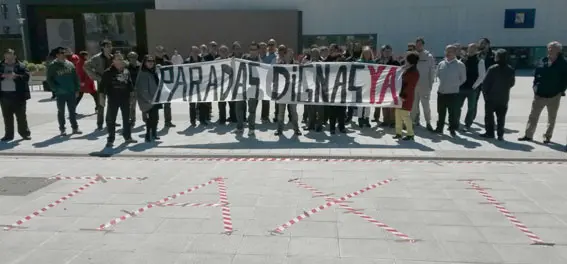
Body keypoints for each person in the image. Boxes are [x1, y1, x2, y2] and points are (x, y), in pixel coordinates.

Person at [518, 41, 567, 143]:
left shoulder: (563, 63)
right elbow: (536, 75)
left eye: (552, 48)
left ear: (559, 50)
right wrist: (535, 87)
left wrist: (561, 90)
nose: (549, 50)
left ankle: (548, 136)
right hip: (540, 94)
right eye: (549, 48)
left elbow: (565, 79)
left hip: (554, 95)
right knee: (533, 116)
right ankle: (528, 135)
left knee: (551, 118)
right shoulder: (542, 60)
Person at [99, 53, 137, 147]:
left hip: (125, 99)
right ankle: (111, 139)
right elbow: (101, 87)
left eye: (121, 59)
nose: (120, 61)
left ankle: (127, 137)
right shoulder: (108, 72)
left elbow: (130, 85)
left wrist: (132, 96)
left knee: (127, 119)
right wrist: (101, 99)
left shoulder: (126, 71)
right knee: (111, 120)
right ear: (114, 61)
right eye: (118, 59)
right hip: (113, 99)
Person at [47, 47, 82, 136]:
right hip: (60, 93)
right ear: (57, 55)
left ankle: (75, 128)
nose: (63, 55)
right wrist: (55, 89)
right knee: (61, 111)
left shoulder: (70, 64)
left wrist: (77, 89)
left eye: (64, 53)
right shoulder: (53, 66)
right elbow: (49, 79)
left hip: (71, 92)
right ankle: (62, 129)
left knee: (72, 111)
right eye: (61, 54)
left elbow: (75, 77)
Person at [481, 49, 515, 140]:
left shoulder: (492, 69)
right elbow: (512, 83)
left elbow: (485, 83)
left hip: (491, 97)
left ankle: (490, 133)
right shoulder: (510, 69)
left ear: (498, 57)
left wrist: (485, 93)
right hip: (503, 97)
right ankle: (500, 134)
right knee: (501, 117)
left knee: (489, 116)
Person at [435, 45, 467, 137]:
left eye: (450, 51)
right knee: (441, 112)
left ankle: (452, 129)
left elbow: (463, 79)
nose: (448, 53)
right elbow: (438, 75)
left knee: (452, 113)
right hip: (441, 92)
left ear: (455, 52)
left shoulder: (460, 65)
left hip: (453, 93)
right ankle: (439, 128)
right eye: (447, 51)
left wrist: (454, 85)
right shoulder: (441, 64)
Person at [0, 49, 31, 141]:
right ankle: (9, 135)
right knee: (7, 117)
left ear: (14, 56)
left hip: (18, 96)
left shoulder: (21, 66)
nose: (8, 57)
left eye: (10, 55)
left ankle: (25, 133)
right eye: (6, 55)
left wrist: (16, 76)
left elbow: (26, 77)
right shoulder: (1, 66)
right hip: (4, 96)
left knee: (21, 116)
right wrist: (2, 76)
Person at [84, 39, 115, 130]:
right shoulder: (96, 58)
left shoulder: (113, 57)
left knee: (112, 103)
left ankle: (110, 121)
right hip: (102, 83)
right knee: (101, 104)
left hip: (113, 83)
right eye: (107, 46)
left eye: (110, 46)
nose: (109, 48)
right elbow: (86, 66)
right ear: (103, 47)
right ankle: (100, 123)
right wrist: (96, 77)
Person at [236, 41, 262, 137]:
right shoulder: (244, 58)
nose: (252, 51)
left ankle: (251, 128)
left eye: (254, 49)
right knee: (239, 107)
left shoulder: (260, 61)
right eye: (251, 49)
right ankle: (240, 127)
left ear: (258, 50)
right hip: (242, 86)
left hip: (254, 88)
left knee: (252, 110)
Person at [275, 44, 301, 136]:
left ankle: (296, 129)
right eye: (287, 54)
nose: (289, 56)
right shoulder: (279, 64)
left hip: (293, 92)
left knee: (294, 112)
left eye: (291, 54)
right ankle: (279, 129)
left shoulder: (296, 64)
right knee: (281, 112)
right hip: (282, 92)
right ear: (285, 54)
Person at [458, 43, 486, 130]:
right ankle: (456, 122)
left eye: (473, 49)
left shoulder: (479, 61)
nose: (470, 50)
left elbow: (482, 76)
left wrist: (474, 86)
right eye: (470, 48)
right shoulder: (463, 60)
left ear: (477, 50)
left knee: (471, 108)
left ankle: (467, 124)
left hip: (472, 89)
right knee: (457, 106)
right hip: (461, 87)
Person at [411, 37, 436, 131]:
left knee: (426, 105)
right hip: (414, 86)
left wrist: (430, 85)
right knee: (413, 106)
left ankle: (428, 123)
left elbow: (432, 71)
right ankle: (412, 122)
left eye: (420, 44)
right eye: (417, 44)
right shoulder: (412, 55)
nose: (418, 46)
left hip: (424, 85)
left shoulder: (428, 56)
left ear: (423, 45)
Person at [394, 51, 420, 140]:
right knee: (398, 114)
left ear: (410, 61)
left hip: (406, 96)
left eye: (406, 59)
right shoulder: (408, 69)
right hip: (401, 95)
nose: (405, 60)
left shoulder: (414, 73)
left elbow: (410, 86)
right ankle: (398, 132)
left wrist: (403, 96)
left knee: (405, 115)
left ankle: (410, 134)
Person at [136, 55, 162, 142]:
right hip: (149, 100)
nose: (151, 63)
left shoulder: (153, 72)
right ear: (145, 63)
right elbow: (143, 89)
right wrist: (149, 100)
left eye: (152, 61)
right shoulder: (143, 73)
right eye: (148, 61)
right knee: (149, 119)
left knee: (155, 118)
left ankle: (154, 133)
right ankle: (148, 135)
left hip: (155, 99)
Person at [375, 44, 401, 127]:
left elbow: (399, 74)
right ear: (382, 52)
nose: (387, 53)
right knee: (384, 104)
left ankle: (393, 121)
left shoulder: (395, 62)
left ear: (391, 52)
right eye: (385, 51)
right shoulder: (378, 62)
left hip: (392, 86)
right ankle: (386, 120)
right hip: (382, 86)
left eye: (389, 51)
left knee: (392, 104)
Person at [325, 43, 346, 134]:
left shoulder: (342, 58)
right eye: (331, 49)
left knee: (342, 109)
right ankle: (332, 127)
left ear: (337, 50)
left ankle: (342, 127)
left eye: (334, 49)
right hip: (331, 87)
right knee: (332, 109)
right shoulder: (328, 59)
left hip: (342, 87)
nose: (332, 51)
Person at [185, 46, 208, 126]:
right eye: (194, 51)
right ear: (190, 52)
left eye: (196, 51)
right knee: (192, 105)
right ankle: (193, 120)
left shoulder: (202, 60)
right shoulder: (186, 62)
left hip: (200, 85)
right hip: (191, 86)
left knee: (202, 104)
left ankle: (202, 120)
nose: (195, 53)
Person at [155, 45, 176, 128]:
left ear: (164, 52)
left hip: (165, 87)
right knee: (155, 106)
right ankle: (154, 122)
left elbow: (173, 71)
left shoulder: (167, 62)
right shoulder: (151, 61)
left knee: (167, 105)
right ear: (155, 52)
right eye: (158, 51)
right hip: (156, 87)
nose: (160, 53)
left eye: (162, 51)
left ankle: (168, 121)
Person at [305, 47, 324, 132]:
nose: (314, 55)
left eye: (316, 54)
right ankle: (310, 125)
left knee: (320, 109)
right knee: (310, 108)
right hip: (310, 89)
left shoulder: (322, 64)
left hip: (319, 89)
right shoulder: (307, 64)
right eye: (313, 53)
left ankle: (319, 125)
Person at [357, 47, 374, 128]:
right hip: (361, 85)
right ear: (363, 54)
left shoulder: (374, 63)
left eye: (368, 53)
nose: (367, 55)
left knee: (368, 104)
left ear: (370, 54)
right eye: (365, 53)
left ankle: (366, 119)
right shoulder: (358, 62)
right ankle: (360, 119)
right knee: (360, 104)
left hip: (370, 85)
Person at [263, 39, 278, 123]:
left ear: (275, 45)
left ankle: (277, 115)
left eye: (272, 44)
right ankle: (265, 116)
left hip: (276, 79)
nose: (271, 46)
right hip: (266, 79)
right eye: (269, 44)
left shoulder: (278, 55)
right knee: (266, 98)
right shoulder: (264, 55)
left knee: (277, 98)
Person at [216, 45, 231, 124]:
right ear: (219, 52)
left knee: (232, 103)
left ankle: (233, 118)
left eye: (225, 51)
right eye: (222, 51)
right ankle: (222, 119)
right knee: (221, 104)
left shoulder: (231, 61)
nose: (223, 52)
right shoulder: (215, 61)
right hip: (220, 86)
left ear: (228, 52)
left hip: (230, 85)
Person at [126, 51, 141, 127]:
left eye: (134, 57)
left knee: (144, 104)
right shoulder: (126, 66)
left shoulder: (140, 65)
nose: (132, 59)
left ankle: (146, 119)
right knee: (132, 105)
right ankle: (132, 119)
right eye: (131, 57)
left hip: (140, 88)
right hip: (131, 89)